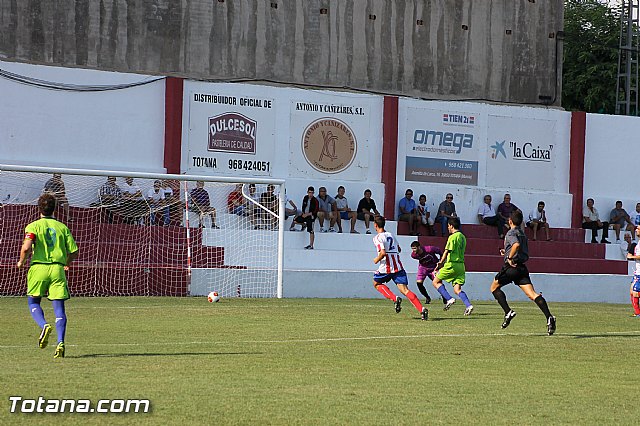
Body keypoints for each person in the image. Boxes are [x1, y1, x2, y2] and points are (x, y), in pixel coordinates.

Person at [16, 193, 78, 358]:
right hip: (57, 269)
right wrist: (67, 263)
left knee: (33, 302)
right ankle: (60, 343)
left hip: (39, 269)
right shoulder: (62, 227)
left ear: (39, 208)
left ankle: (44, 325)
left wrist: (21, 262)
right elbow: (74, 251)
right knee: (59, 308)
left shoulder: (33, 226)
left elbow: (26, 248)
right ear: (55, 209)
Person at [489, 210, 556, 335]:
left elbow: (516, 245)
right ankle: (549, 317)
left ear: (510, 221)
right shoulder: (523, 233)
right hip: (522, 268)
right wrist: (507, 252)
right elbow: (517, 247)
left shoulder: (510, 233)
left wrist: (509, 258)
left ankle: (508, 312)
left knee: (494, 288)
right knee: (532, 294)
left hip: (511, 268)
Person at [371, 216, 428, 321]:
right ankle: (422, 309)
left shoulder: (377, 238)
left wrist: (376, 259)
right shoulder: (391, 235)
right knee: (405, 290)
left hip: (386, 268)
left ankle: (394, 298)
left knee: (376, 283)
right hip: (398, 267)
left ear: (375, 225)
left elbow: (382, 253)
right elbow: (399, 249)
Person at [432, 217, 474, 316]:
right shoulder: (463, 236)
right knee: (457, 289)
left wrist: (440, 263)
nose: (448, 228)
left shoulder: (452, 237)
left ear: (451, 226)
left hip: (452, 264)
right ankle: (468, 305)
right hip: (461, 266)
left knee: (436, 281)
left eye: (448, 226)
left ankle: (449, 299)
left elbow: (447, 251)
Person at [627, 226, 640, 316]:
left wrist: (632, 257)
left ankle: (638, 313)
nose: (636, 230)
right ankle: (637, 313)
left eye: (638, 228)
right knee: (632, 291)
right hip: (637, 271)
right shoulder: (637, 243)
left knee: (636, 293)